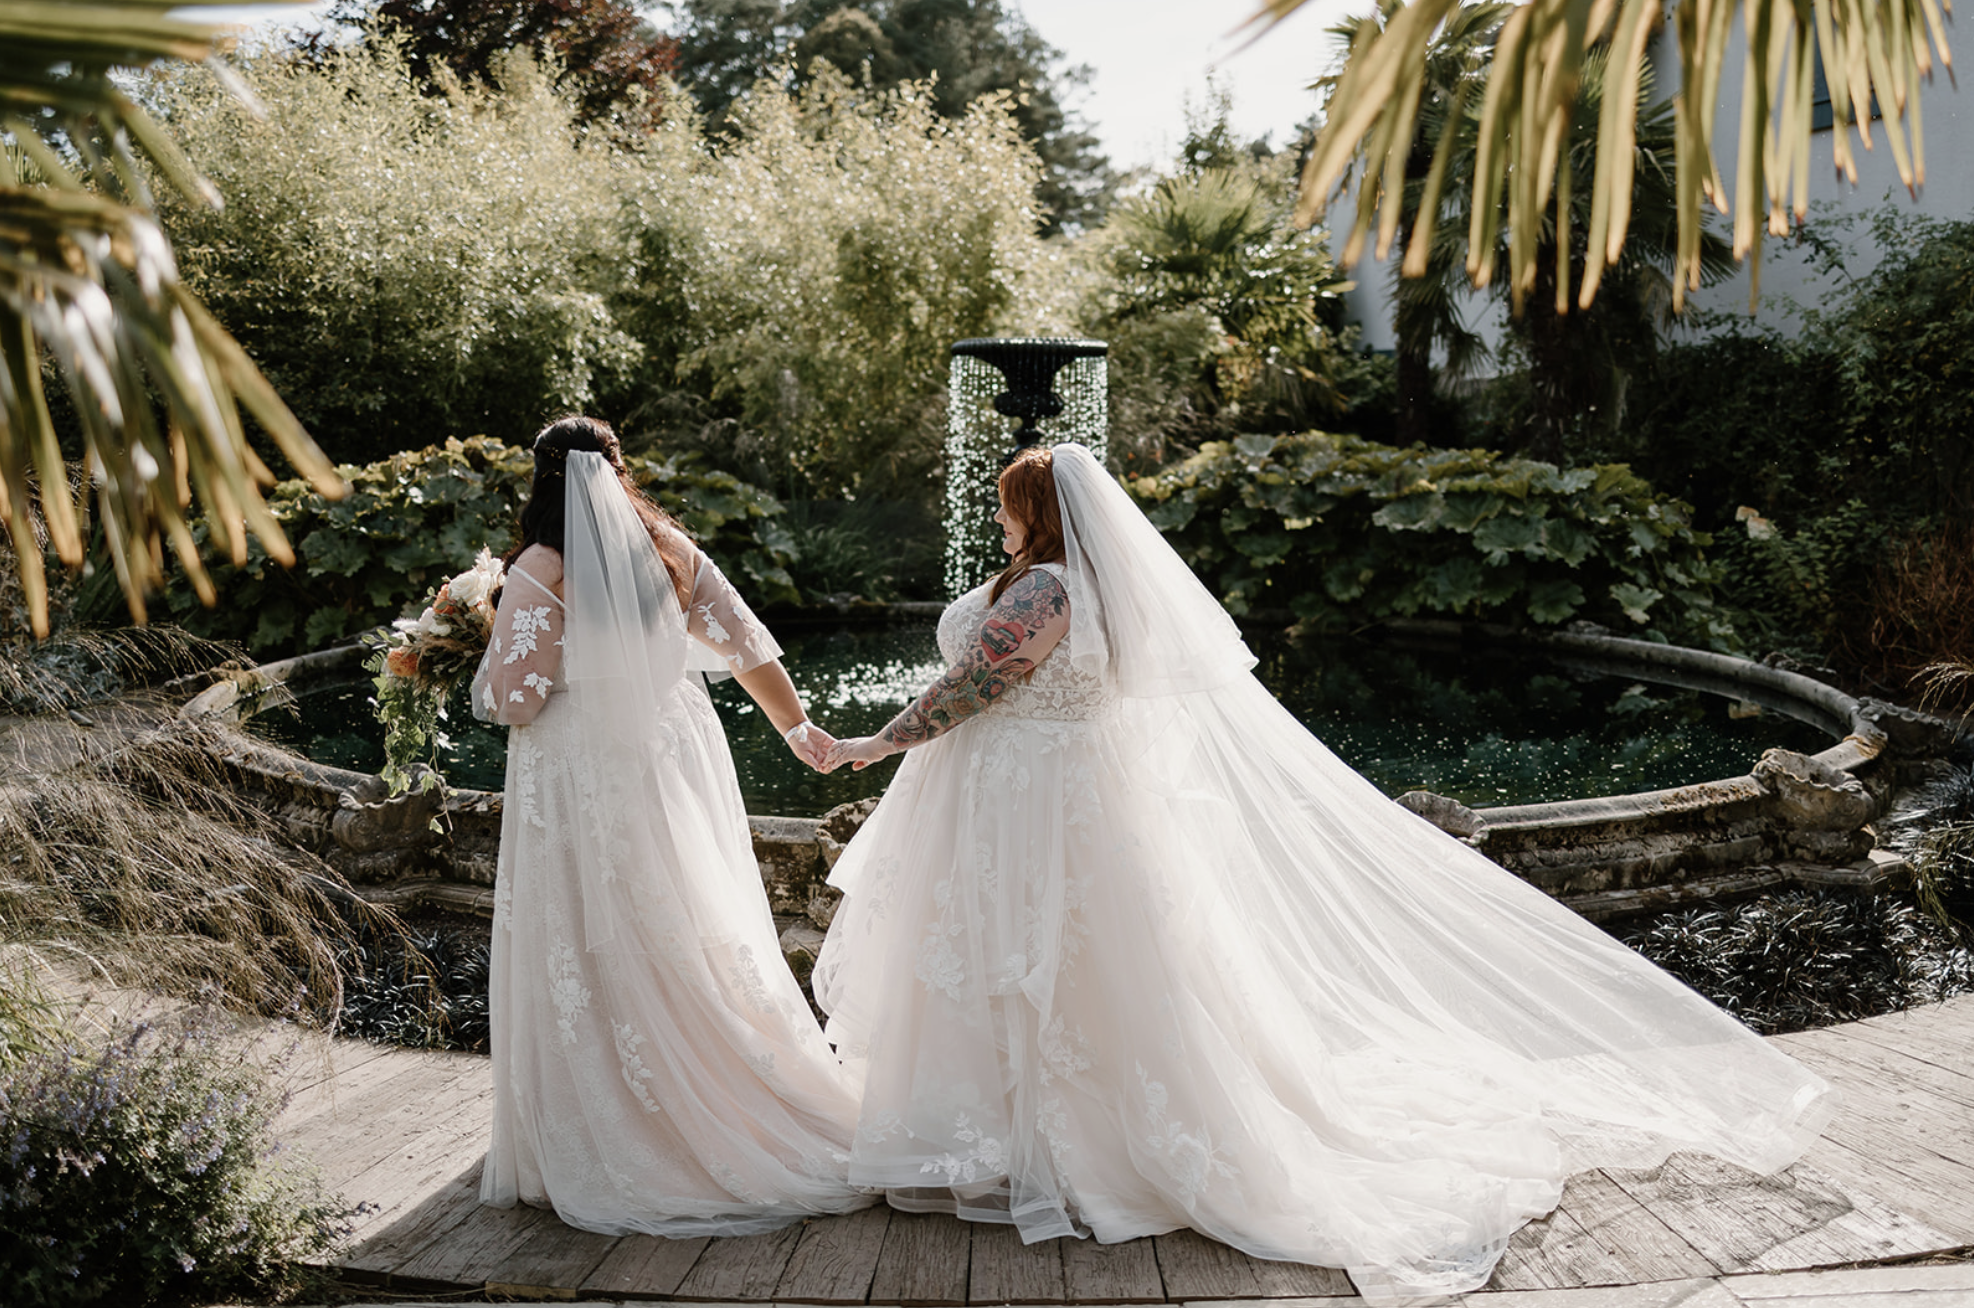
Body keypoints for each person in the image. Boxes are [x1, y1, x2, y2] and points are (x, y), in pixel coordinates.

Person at [812, 442, 1833, 1303]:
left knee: (1039, 961)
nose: (997, 516)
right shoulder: (1092, 592)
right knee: (1070, 968)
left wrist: (864, 747)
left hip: (1031, 808)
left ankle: (1049, 1145)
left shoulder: (1044, 590)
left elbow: (970, 689)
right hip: (1051, 800)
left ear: (1034, 509)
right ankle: (1006, 1134)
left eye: (1005, 503)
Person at [472, 416, 870, 1235]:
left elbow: (518, 699)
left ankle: (613, 1125)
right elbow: (749, 647)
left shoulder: (541, 568)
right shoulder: (672, 553)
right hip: (667, 752)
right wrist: (799, 732)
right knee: (681, 917)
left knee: (587, 931)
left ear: (541, 480)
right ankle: (717, 1096)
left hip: (577, 766)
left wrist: (482, 643)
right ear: (619, 472)